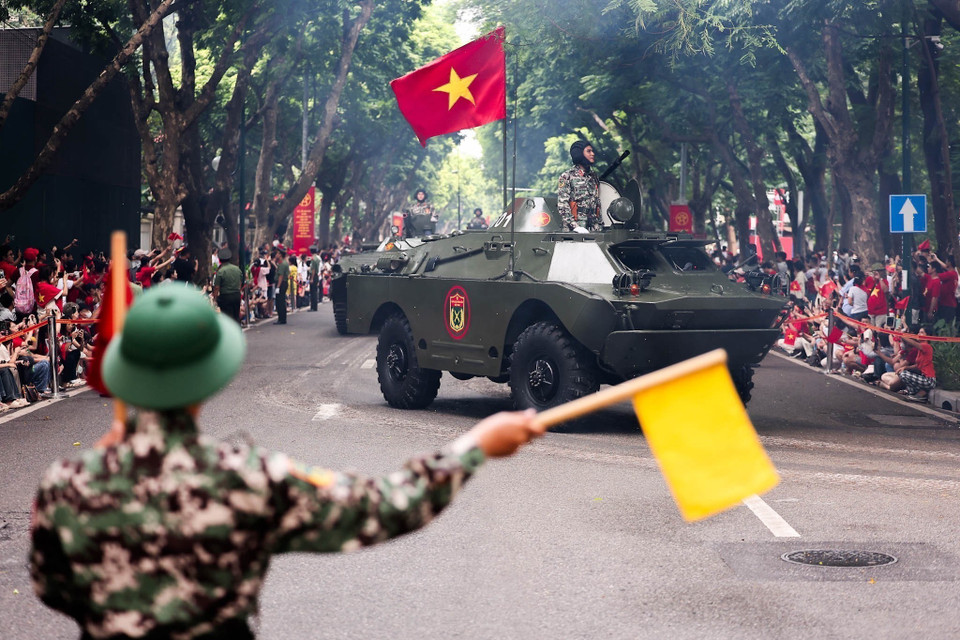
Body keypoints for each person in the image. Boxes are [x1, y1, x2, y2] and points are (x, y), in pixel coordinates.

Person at [29, 285, 544, 639]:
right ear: (211, 379)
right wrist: (472, 445)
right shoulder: (247, 480)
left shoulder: (66, 484)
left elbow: (51, 587)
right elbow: (385, 507)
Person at [557, 139, 601, 233]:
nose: (592, 154)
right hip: (574, 230)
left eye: (592, 151)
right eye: (588, 151)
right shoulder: (567, 176)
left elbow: (597, 203)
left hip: (593, 228)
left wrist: (599, 225)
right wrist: (575, 227)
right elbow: (562, 205)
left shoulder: (593, 177)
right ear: (580, 154)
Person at [212, 247, 243, 323]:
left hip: (226, 296)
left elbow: (216, 287)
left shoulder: (220, 271)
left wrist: (215, 299)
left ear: (219, 260)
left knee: (227, 317)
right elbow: (240, 282)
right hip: (236, 295)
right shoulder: (237, 269)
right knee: (236, 315)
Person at [274, 246, 289, 324]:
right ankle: (282, 318)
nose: (276, 254)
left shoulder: (282, 264)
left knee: (280, 301)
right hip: (283, 283)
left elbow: (281, 276)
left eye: (277, 253)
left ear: (280, 254)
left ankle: (282, 319)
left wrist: (278, 287)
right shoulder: (282, 263)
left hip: (281, 283)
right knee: (281, 301)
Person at [308, 246, 321, 311]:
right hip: (316, 275)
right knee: (315, 291)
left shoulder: (313, 259)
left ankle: (313, 307)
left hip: (313, 275)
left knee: (313, 292)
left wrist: (311, 278)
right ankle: (315, 307)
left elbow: (313, 269)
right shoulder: (317, 258)